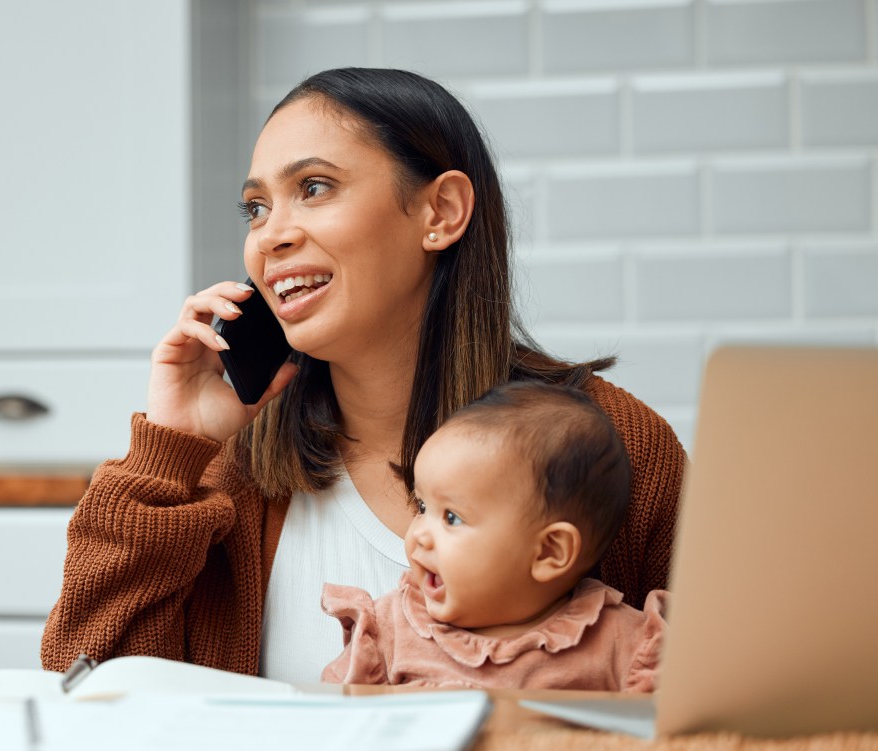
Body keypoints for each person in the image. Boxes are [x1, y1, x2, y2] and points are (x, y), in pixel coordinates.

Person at [40, 67, 686, 682]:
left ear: (442, 213)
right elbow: (88, 687)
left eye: (314, 188)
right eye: (256, 208)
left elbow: (716, 704)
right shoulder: (231, 470)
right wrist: (171, 452)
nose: (269, 237)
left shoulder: (617, 446)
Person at [321, 381, 667, 692]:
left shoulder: (622, 644)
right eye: (423, 506)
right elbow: (331, 726)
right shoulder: (391, 630)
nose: (420, 535)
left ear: (549, 551)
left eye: (452, 518)